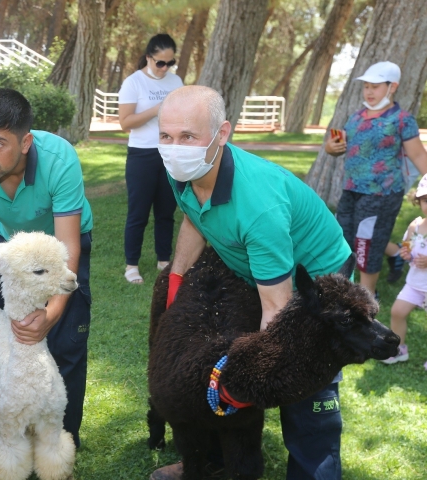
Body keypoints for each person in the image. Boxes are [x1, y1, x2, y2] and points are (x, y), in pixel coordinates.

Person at [150, 86, 353, 480]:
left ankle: (315, 470)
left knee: (304, 388)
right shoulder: (184, 170)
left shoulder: (259, 209)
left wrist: (260, 370)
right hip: (260, 269)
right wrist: (175, 281)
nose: (174, 148)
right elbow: (194, 217)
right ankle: (211, 459)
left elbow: (277, 310)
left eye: (187, 137)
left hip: (315, 283)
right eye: (166, 136)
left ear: (222, 134)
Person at [0, 88, 93, 448]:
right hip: (10, 248)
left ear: (26, 142)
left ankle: (61, 438)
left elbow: (68, 244)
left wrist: (54, 309)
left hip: (60, 247)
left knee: (64, 342)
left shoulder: (59, 159)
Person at [324, 61, 427, 297]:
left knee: (367, 246)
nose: (369, 92)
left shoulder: (402, 119)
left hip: (381, 194)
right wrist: (331, 147)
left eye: (376, 87)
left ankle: (368, 297)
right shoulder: (356, 117)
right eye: (366, 87)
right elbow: (337, 147)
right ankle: (353, 285)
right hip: (351, 190)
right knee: (345, 239)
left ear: (392, 87)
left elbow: (418, 154)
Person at [118, 33, 184, 284]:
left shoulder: (176, 82)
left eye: (170, 63)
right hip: (142, 154)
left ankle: (164, 260)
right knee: (138, 213)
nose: (165, 68)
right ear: (148, 58)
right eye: (160, 63)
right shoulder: (133, 82)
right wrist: (157, 109)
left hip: (169, 153)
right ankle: (131, 265)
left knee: (167, 211)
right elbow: (125, 122)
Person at [382, 174, 427, 366]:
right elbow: (406, 247)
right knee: (397, 312)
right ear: (418, 201)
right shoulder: (415, 226)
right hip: (415, 283)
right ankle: (398, 350)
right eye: (426, 200)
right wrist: (405, 253)